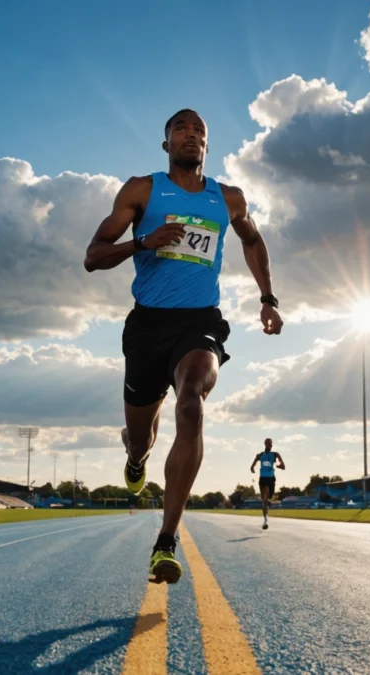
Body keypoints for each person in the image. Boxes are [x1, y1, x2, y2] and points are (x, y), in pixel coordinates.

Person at [84, 109, 283, 584]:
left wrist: (268, 298)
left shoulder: (228, 198)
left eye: (199, 132)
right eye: (180, 130)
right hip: (147, 325)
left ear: (207, 146)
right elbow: (93, 256)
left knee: (191, 403)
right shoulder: (142, 190)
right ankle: (135, 458)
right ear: (166, 143)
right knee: (141, 435)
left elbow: (252, 241)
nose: (190, 136)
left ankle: (165, 540)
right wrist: (143, 243)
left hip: (201, 322)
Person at [250, 438, 285, 530]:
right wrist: (252, 468)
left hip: (271, 479)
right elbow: (252, 466)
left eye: (271, 444)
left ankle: (268, 501)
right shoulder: (260, 455)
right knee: (264, 500)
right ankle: (265, 520)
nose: (271, 445)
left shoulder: (275, 454)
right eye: (269, 444)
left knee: (268, 497)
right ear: (265, 444)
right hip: (263, 479)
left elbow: (283, 466)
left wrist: (279, 465)